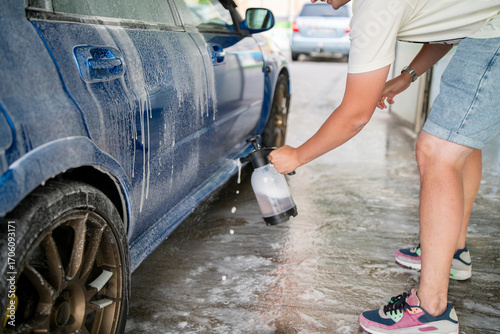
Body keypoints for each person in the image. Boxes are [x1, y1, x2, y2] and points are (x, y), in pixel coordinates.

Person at [268, 0, 500, 332]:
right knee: (459, 140)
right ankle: (454, 251)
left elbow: (355, 115)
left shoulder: (372, 9)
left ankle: (431, 310)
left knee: (439, 151)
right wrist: (408, 75)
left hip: (492, 36)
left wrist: (298, 155)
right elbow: (451, 25)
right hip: (484, 28)